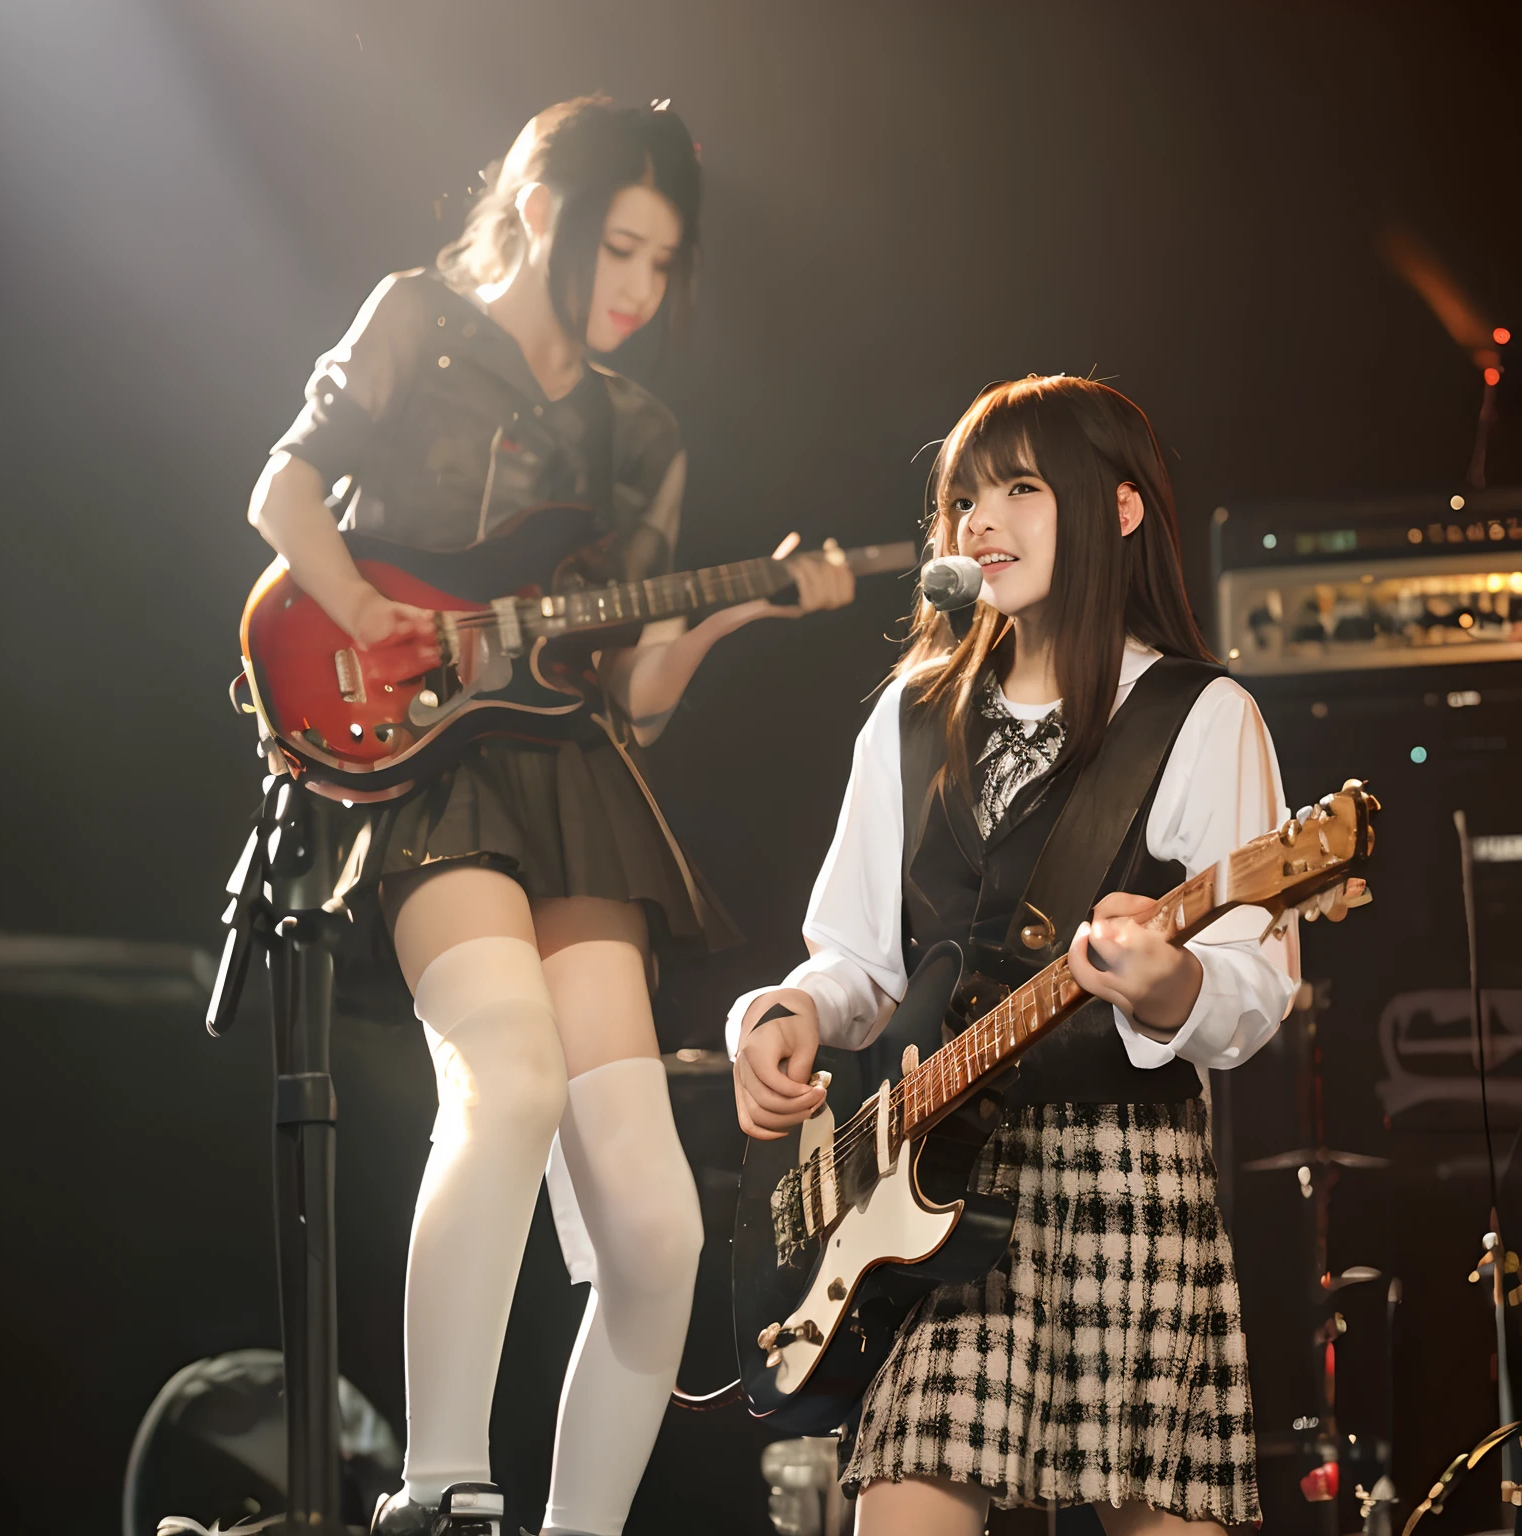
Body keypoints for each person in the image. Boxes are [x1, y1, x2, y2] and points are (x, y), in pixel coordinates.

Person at [244, 97, 853, 1536]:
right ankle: (439, 1494)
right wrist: (367, 618)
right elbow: (282, 490)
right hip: (423, 759)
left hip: (574, 775)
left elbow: (632, 695)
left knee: (659, 1228)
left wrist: (736, 609)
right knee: (506, 1078)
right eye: (619, 250)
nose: (640, 290)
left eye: (663, 262)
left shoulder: (639, 433)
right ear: (537, 213)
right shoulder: (416, 321)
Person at [728, 375, 1302, 1534]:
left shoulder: (1200, 714)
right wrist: (785, 1012)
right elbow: (856, 957)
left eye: (1020, 490)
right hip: (927, 1186)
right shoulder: (906, 716)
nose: (978, 523)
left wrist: (1171, 983)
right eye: (963, 501)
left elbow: (1255, 982)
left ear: (1122, 509)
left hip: (1124, 1182)